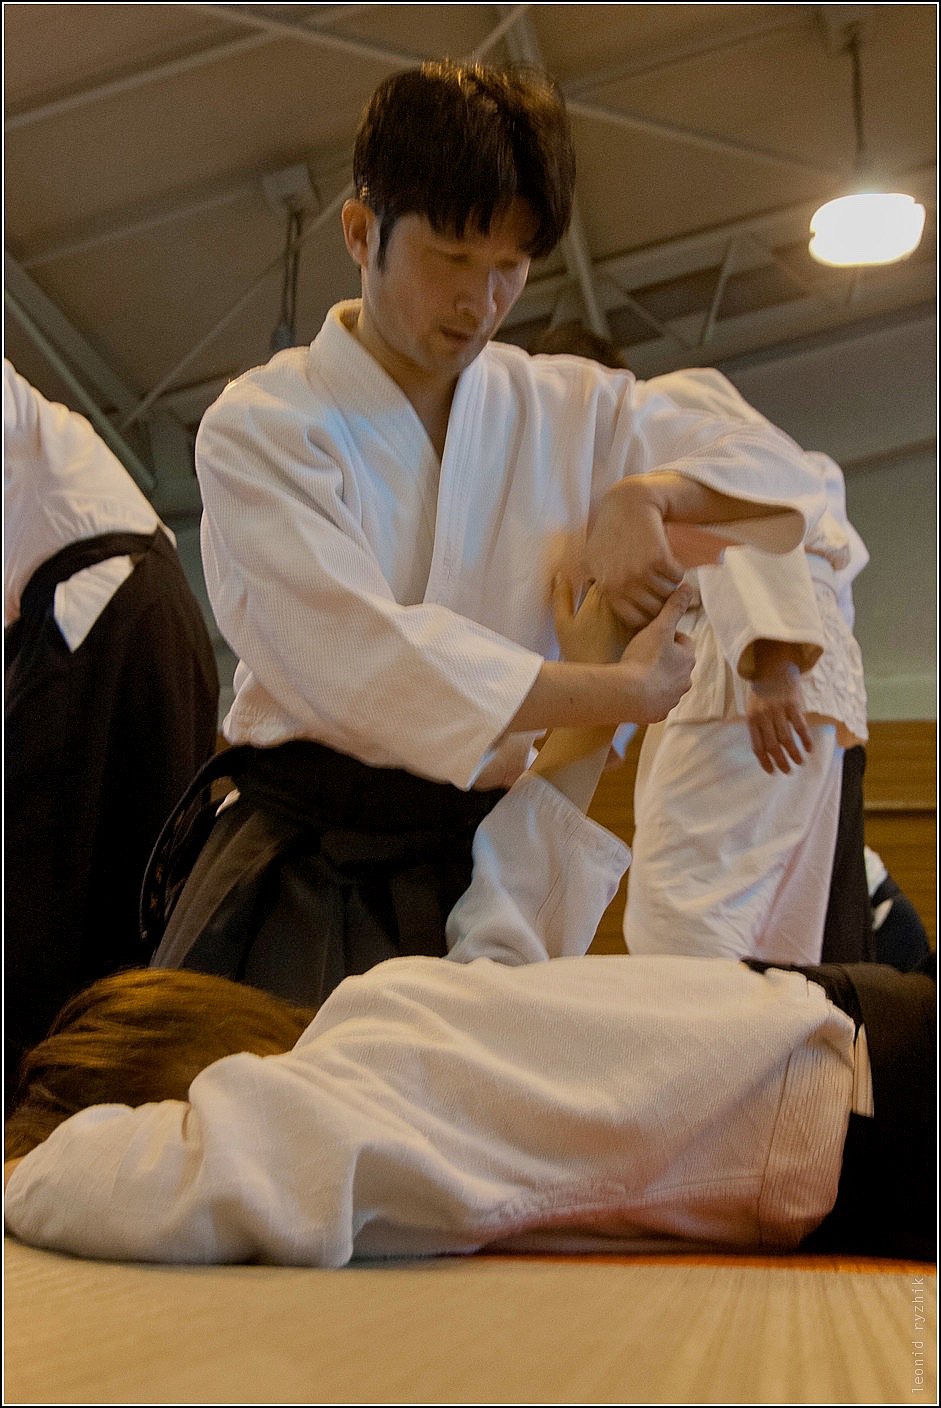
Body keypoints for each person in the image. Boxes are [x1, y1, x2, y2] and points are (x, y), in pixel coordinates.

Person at [145, 60, 831, 1008]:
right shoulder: (264, 425)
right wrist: (613, 690)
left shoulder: (568, 409)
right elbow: (358, 657)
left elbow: (788, 475)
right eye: (452, 258)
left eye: (511, 265)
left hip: (490, 858)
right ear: (361, 232)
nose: (482, 300)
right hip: (304, 868)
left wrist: (649, 495)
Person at [4, 585, 934, 1266]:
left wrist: (20, 1166)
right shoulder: (391, 1028)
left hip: (849, 1100)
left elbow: (112, 1181)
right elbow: (513, 901)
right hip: (841, 1051)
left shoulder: (348, 1098)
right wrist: (601, 679)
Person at [530, 326, 871, 967]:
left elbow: (754, 500)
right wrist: (601, 727)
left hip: (749, 658)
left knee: (680, 913)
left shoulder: (661, 404)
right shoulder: (607, 469)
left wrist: (772, 657)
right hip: (779, 659)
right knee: (773, 937)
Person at [3, 360, 220, 1111]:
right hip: (125, 605)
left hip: (104, 599)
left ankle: (48, 1126)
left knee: (50, 919)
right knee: (124, 918)